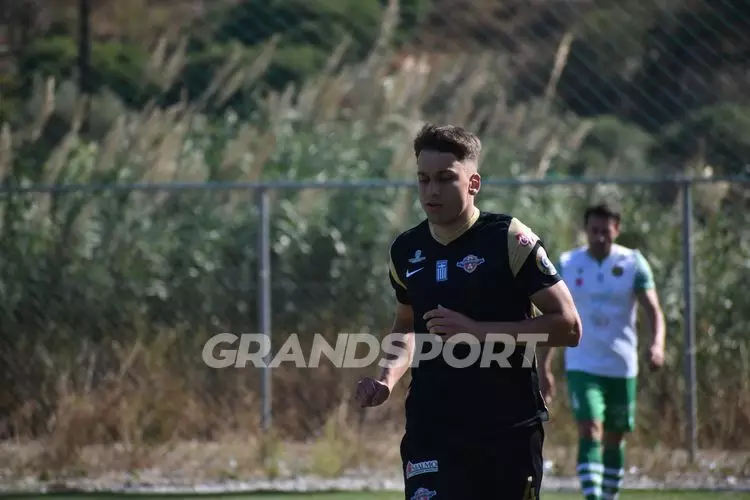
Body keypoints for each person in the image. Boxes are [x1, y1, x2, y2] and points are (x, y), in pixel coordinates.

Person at [354, 123, 582, 500]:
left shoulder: (509, 239)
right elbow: (407, 325)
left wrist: (478, 331)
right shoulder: (406, 250)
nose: (432, 190)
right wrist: (386, 379)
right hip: (431, 425)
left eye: (445, 179)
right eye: (423, 179)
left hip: (506, 428)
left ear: (473, 183)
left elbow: (569, 327)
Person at [539, 202, 666, 500]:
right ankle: (594, 497)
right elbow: (555, 319)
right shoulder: (569, 264)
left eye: (605, 231)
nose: (599, 237)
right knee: (590, 428)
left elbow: (654, 311)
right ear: (585, 229)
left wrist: (657, 344)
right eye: (594, 230)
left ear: (616, 230)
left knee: (614, 435)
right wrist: (544, 367)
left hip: (622, 365)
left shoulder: (633, 263)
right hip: (582, 364)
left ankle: (608, 496)